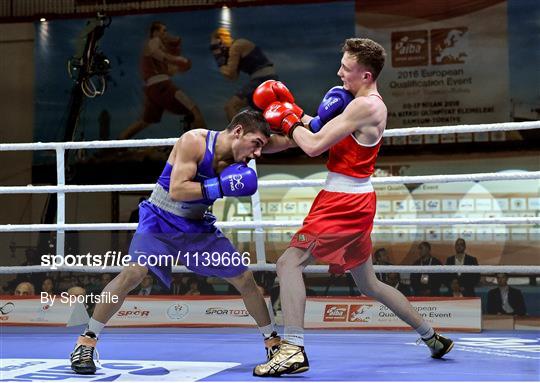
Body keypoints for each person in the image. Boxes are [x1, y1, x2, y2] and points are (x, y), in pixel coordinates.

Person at [250, 38, 453, 377]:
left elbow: (312, 146)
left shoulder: (366, 106)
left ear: (366, 73)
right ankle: (432, 337)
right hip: (354, 200)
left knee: (288, 263)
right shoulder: (353, 103)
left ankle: (293, 349)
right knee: (369, 284)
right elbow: (314, 129)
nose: (339, 72)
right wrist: (279, 129)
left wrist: (287, 119)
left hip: (343, 203)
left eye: (346, 67)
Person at [70, 110, 286, 374]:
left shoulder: (243, 151)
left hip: (196, 226)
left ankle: (273, 344)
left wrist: (308, 122)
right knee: (133, 273)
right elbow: (178, 189)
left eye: (262, 147)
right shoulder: (194, 141)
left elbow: (291, 140)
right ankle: (86, 342)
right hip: (160, 219)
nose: (258, 154)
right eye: (256, 145)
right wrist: (220, 187)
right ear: (238, 131)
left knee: (245, 279)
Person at [119, 21, 205, 139]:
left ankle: (116, 145)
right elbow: (159, 54)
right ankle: (205, 148)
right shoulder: (154, 41)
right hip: (162, 86)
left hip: (153, 89)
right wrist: (178, 60)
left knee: (144, 122)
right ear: (155, 32)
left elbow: (169, 70)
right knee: (194, 111)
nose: (165, 33)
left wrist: (179, 65)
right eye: (163, 30)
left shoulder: (157, 49)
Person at [210, 27, 278, 121]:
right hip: (265, 79)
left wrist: (219, 59)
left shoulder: (237, 46)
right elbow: (233, 77)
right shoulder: (235, 48)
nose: (219, 49)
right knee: (261, 115)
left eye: (217, 46)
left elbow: (229, 73)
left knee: (231, 106)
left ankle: (238, 134)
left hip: (262, 80)